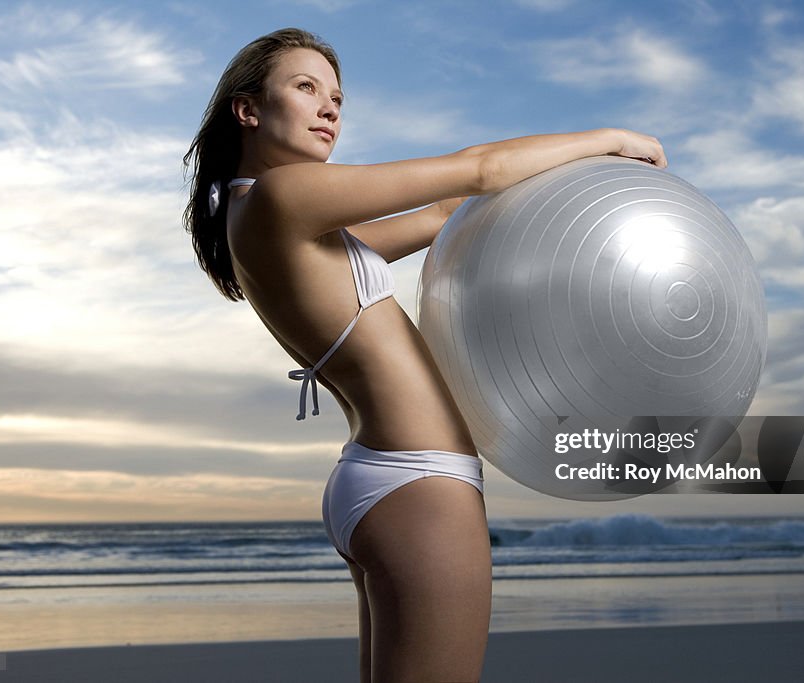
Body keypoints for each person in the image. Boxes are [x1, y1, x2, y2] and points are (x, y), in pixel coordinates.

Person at [184, 27, 666, 683]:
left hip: (383, 476)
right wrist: (611, 140)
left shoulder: (281, 221)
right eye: (305, 88)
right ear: (249, 110)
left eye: (337, 97)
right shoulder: (280, 196)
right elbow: (477, 167)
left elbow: (448, 209)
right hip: (418, 485)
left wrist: (579, 174)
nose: (330, 108)